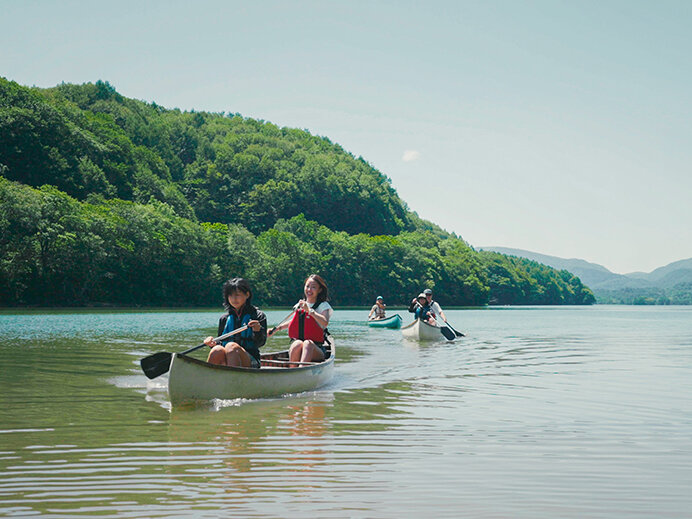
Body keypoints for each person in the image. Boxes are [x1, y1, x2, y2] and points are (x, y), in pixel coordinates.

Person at [268, 274, 333, 365]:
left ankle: (302, 369)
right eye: (307, 286)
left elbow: (325, 322)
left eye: (313, 287)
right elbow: (295, 322)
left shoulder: (324, 306)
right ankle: (293, 370)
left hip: (316, 348)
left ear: (320, 290)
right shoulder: (299, 305)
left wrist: (310, 311)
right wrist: (277, 328)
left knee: (307, 343)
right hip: (299, 345)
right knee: (297, 343)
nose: (309, 290)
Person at [204, 277, 267, 368]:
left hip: (252, 361)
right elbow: (221, 343)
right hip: (229, 358)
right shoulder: (224, 318)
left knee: (231, 347)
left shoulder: (258, 316)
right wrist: (212, 343)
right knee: (217, 350)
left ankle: (234, 380)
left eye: (237, 295)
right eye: (231, 295)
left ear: (247, 295)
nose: (234, 299)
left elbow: (260, 343)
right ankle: (208, 378)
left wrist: (257, 331)